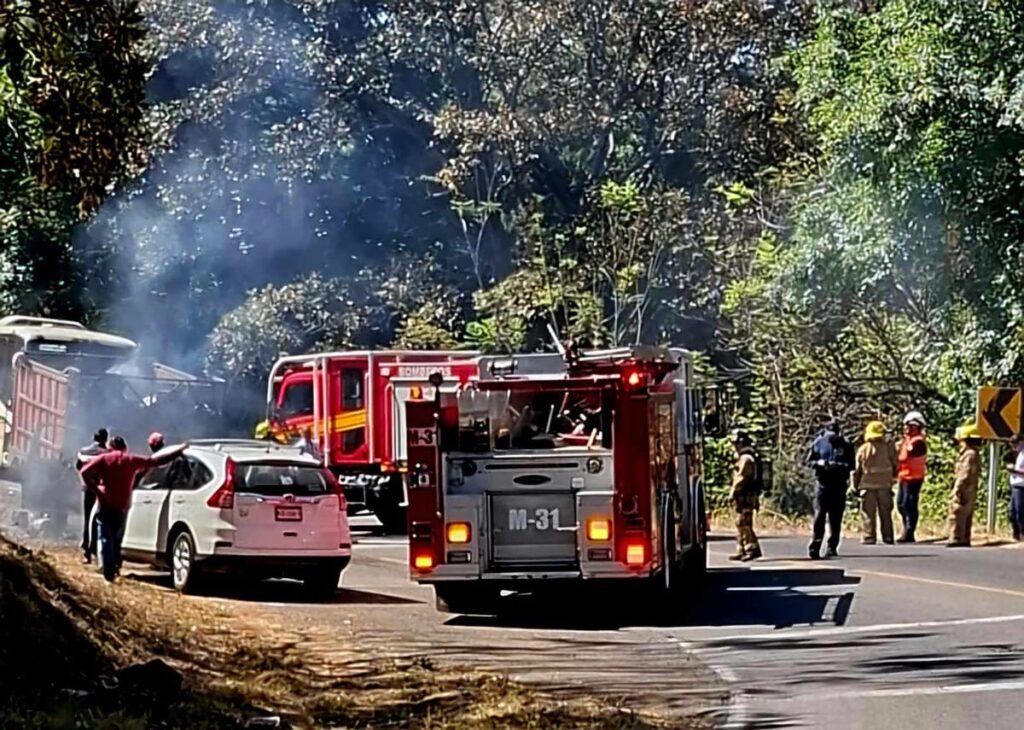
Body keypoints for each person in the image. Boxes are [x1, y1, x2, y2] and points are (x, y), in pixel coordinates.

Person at [79, 436, 183, 581]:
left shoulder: (104, 458)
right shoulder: (131, 460)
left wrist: (96, 490)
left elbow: (84, 472)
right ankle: (114, 566)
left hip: (105, 501)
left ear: (111, 446)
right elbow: (155, 462)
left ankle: (107, 568)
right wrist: (178, 452)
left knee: (104, 536)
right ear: (124, 447)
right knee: (117, 537)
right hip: (122, 504)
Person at [806, 419, 854, 559]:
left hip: (838, 485)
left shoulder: (846, 445)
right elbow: (809, 461)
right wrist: (819, 463)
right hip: (822, 484)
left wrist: (838, 465)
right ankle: (815, 545)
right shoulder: (818, 443)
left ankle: (832, 547)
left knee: (836, 517)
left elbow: (851, 465)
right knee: (819, 516)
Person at [854, 421, 898, 545]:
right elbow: (895, 464)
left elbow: (857, 470)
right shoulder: (889, 448)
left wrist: (854, 486)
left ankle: (869, 537)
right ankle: (888, 537)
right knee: (886, 513)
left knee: (868, 513)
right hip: (885, 485)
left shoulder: (864, 449)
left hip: (867, 486)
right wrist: (893, 478)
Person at [75, 428, 109, 563]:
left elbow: (79, 467)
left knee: (88, 518)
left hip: (88, 489)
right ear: (105, 439)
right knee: (101, 520)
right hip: (102, 491)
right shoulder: (107, 454)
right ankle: (97, 549)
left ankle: (87, 550)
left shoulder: (83, 452)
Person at [728, 430, 763, 562]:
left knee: (744, 523)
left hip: (746, 496)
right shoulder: (742, 457)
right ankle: (741, 549)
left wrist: (732, 492)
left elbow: (741, 478)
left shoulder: (746, 459)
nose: (735, 446)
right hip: (741, 496)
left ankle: (752, 549)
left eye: (736, 443)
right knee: (739, 523)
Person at [947, 423, 982, 547]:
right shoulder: (972, 453)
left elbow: (964, 474)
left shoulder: (969, 454)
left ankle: (956, 538)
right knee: (966, 513)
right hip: (970, 487)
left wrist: (957, 488)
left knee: (957, 512)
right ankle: (964, 538)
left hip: (964, 487)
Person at [896, 411, 928, 543]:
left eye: (908, 425)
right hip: (904, 476)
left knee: (909, 504)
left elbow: (904, 457)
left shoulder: (918, 442)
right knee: (901, 504)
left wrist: (896, 453)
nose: (905, 428)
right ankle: (906, 528)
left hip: (914, 478)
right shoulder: (907, 440)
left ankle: (909, 532)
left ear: (915, 426)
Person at [1005, 434, 1024, 541]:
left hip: (1021, 485)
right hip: (1015, 484)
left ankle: (1022, 533)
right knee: (1012, 511)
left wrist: (1015, 471)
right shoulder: (1017, 454)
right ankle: (1016, 533)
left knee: (1020, 511)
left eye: (1015, 443)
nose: (1014, 447)